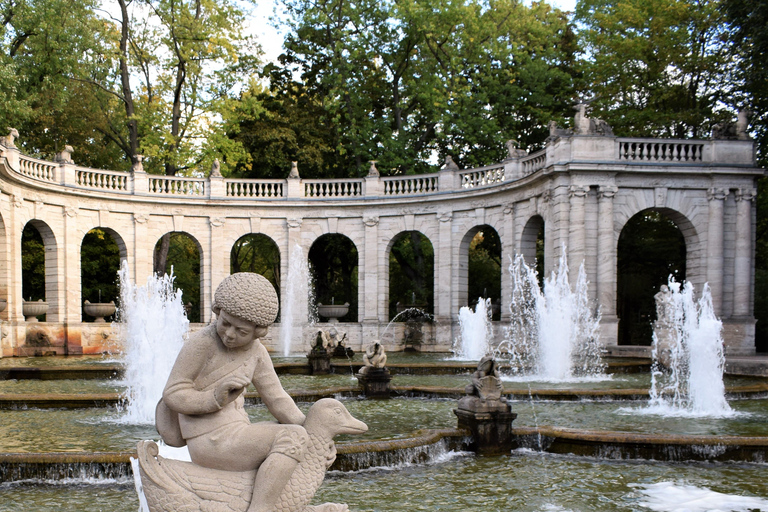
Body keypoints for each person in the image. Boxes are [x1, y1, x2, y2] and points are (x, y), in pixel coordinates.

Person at [157, 273, 307, 512]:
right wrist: (213, 398)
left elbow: (278, 400)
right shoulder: (202, 343)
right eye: (225, 322)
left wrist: (313, 430)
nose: (228, 334)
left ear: (258, 331)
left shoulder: (257, 352)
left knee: (298, 433)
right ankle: (260, 509)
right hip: (208, 439)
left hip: (236, 432)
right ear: (218, 312)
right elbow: (173, 392)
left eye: (241, 331)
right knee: (292, 438)